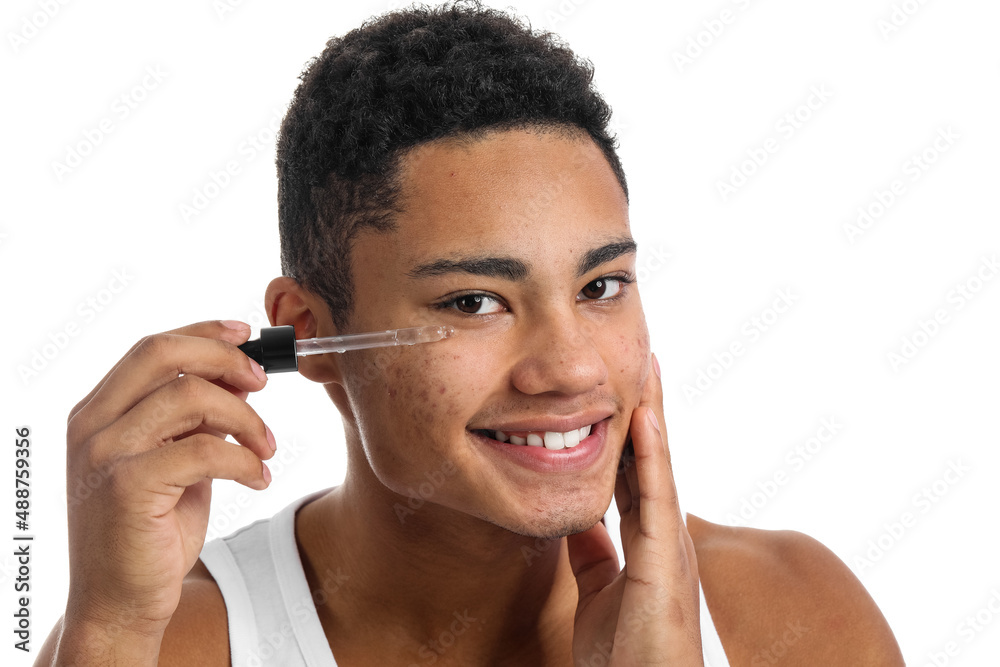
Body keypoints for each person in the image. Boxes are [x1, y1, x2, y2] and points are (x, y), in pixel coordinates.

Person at [37, 1, 904, 664]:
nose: (569, 367)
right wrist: (107, 630)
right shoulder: (165, 642)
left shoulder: (789, 617)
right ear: (308, 336)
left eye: (601, 285)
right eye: (474, 302)